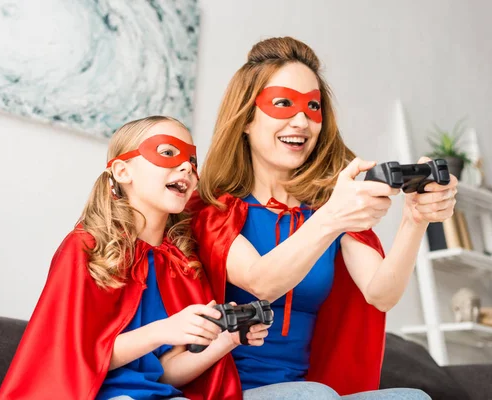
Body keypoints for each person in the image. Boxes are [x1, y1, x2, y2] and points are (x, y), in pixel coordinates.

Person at [190, 37, 457, 399]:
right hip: (232, 391)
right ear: (246, 120)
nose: (301, 120)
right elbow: (261, 282)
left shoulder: (326, 212)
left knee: (414, 398)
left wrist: (415, 218)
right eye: (283, 103)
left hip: (312, 390)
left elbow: (381, 293)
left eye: (313, 107)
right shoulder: (213, 211)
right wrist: (332, 215)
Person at [0, 116, 270, 400]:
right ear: (122, 171)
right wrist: (163, 330)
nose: (187, 167)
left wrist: (228, 339)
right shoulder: (86, 248)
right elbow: (75, 357)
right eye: (167, 152)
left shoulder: (182, 264)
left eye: (192, 160)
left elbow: (166, 373)